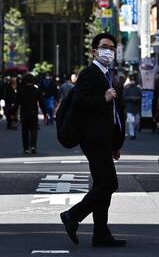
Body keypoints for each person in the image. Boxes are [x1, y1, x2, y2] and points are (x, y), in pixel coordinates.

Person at [60, 33, 126, 248]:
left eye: (112, 48)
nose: (109, 51)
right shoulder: (89, 73)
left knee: (101, 184)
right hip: (93, 138)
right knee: (109, 183)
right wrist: (102, 99)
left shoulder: (107, 75)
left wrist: (115, 144)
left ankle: (101, 233)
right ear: (94, 51)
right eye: (104, 47)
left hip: (104, 139)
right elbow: (79, 104)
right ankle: (73, 215)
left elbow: (113, 113)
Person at [16, 74, 42, 154]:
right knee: (34, 129)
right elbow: (41, 102)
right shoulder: (36, 90)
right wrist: (45, 113)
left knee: (25, 130)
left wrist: (12, 112)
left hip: (24, 113)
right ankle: (33, 146)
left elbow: (16, 103)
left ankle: (26, 148)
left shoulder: (21, 90)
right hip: (33, 112)